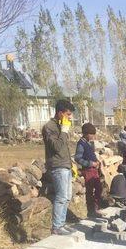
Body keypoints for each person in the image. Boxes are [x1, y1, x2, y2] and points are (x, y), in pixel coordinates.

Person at [42, 99, 76, 236]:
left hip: (65, 165)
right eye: (68, 114)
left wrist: (70, 164)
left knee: (67, 196)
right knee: (61, 196)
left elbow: (64, 148)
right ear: (60, 113)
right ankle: (56, 226)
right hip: (57, 166)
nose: (70, 117)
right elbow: (56, 147)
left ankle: (61, 224)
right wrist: (64, 131)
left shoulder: (62, 126)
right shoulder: (49, 127)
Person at [74, 123, 103, 218]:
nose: (93, 136)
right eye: (91, 134)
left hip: (94, 170)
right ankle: (91, 211)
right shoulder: (81, 144)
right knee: (90, 191)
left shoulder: (88, 143)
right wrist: (91, 163)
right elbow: (78, 158)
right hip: (88, 170)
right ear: (86, 133)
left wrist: (97, 161)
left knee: (99, 188)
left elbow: (91, 155)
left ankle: (95, 208)